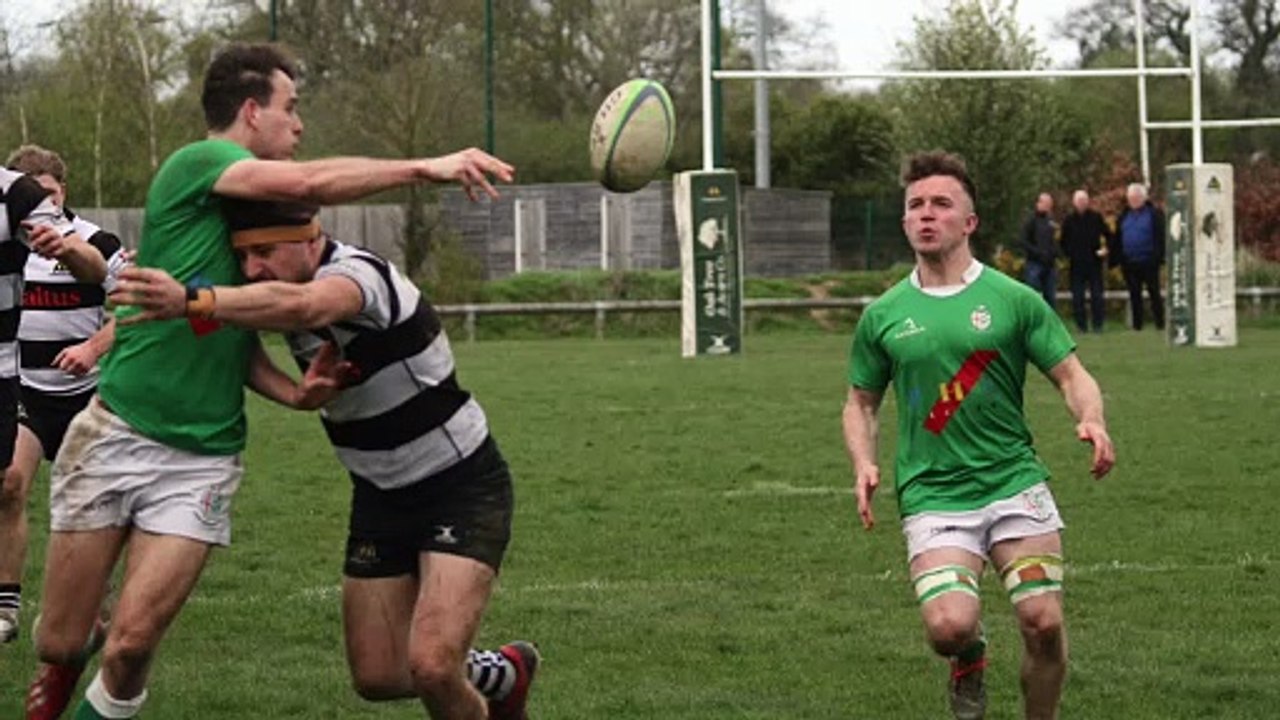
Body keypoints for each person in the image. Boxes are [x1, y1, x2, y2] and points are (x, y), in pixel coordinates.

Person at [29, 42, 515, 720]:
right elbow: (302, 194)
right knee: (62, 640)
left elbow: (256, 321)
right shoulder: (202, 165)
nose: (300, 126)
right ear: (252, 112)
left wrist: (214, 318)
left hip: (209, 455)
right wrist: (429, 167)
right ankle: (64, 659)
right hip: (119, 428)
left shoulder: (304, 267)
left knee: (132, 644)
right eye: (291, 109)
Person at [110, 199, 538, 719]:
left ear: (310, 238)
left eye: (265, 252)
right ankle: (504, 674)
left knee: (430, 665)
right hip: (379, 496)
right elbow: (225, 341)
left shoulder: (360, 275)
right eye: (243, 258)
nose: (252, 269)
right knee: (378, 675)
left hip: (460, 486)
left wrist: (197, 298)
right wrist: (290, 390)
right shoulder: (270, 290)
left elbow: (307, 308)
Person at [843, 151, 1115, 720]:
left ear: (969, 222)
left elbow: (1072, 374)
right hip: (933, 491)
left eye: (941, 204)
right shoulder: (884, 315)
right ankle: (969, 658)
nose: (926, 214)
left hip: (1013, 482)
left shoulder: (1013, 301)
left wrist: (1090, 418)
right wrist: (863, 462)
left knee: (1043, 621)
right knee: (948, 626)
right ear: (904, 222)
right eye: (915, 205)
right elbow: (860, 402)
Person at [0, 165, 107, 647]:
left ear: (64, 189)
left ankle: (92, 605)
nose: (42, 204)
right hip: (27, 392)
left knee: (87, 504)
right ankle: (6, 606)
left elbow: (128, 302)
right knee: (9, 485)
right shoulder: (13, 247)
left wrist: (91, 349)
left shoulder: (91, 240)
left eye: (50, 192)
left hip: (87, 400)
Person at [1109, 183, 1165, 331]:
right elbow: (1117, 238)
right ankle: (1137, 325)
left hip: (1149, 261)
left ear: (1143, 198)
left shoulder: (1153, 214)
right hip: (1129, 262)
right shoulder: (1124, 216)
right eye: (1130, 198)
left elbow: (1160, 236)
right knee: (1134, 294)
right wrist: (1115, 259)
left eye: (1136, 198)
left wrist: (1159, 256)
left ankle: (1160, 323)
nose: (1133, 201)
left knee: (1154, 293)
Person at [1058, 189, 1112, 334]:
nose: (1082, 203)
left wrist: (1105, 250)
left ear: (1088, 202)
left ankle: (1098, 326)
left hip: (1094, 263)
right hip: (1076, 264)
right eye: (1079, 201)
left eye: (1084, 200)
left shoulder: (1095, 217)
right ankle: (1081, 326)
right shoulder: (1069, 220)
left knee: (1097, 296)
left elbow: (1109, 235)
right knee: (1078, 297)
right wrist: (1069, 254)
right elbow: (1062, 242)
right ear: (1074, 203)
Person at [1019, 192, 1059, 309]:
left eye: (1049, 203)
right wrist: (1037, 252)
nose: (1048, 206)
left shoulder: (1051, 221)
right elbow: (1023, 241)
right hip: (1034, 263)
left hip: (1050, 264)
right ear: (1038, 203)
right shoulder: (1030, 221)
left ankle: (1050, 322)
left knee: (1050, 296)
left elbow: (1055, 241)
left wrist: (1054, 253)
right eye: (1045, 203)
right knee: (1033, 295)